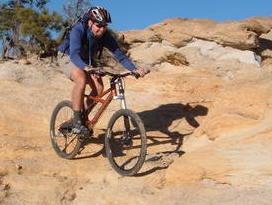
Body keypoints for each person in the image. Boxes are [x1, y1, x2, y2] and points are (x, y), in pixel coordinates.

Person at [59, 6, 147, 136]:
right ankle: (77, 122)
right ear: (90, 22)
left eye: (104, 26)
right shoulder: (78, 30)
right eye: (98, 25)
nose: (101, 29)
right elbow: (74, 55)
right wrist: (86, 68)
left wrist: (134, 69)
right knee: (81, 79)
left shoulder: (105, 36)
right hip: (68, 56)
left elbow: (120, 56)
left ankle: (82, 115)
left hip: (87, 60)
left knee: (99, 88)